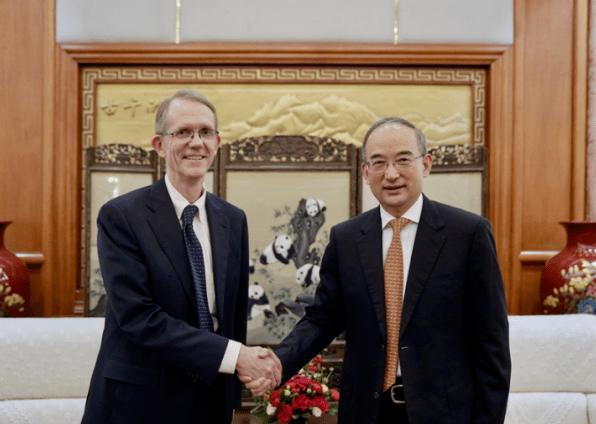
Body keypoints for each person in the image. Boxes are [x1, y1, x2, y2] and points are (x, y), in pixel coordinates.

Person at [245, 117, 511, 423]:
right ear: (365, 172)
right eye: (379, 163)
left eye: (403, 160)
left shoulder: (467, 234)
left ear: (426, 165)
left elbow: (491, 341)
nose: (391, 173)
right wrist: (279, 361)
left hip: (444, 413)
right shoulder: (345, 239)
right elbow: (323, 318)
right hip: (367, 412)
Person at [81, 89, 281, 424]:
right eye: (183, 132)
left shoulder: (233, 220)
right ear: (159, 145)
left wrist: (240, 382)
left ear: (217, 143)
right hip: (137, 404)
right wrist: (236, 356)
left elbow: (231, 317)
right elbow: (139, 318)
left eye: (205, 132)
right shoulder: (122, 216)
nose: (196, 143)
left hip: (210, 401)